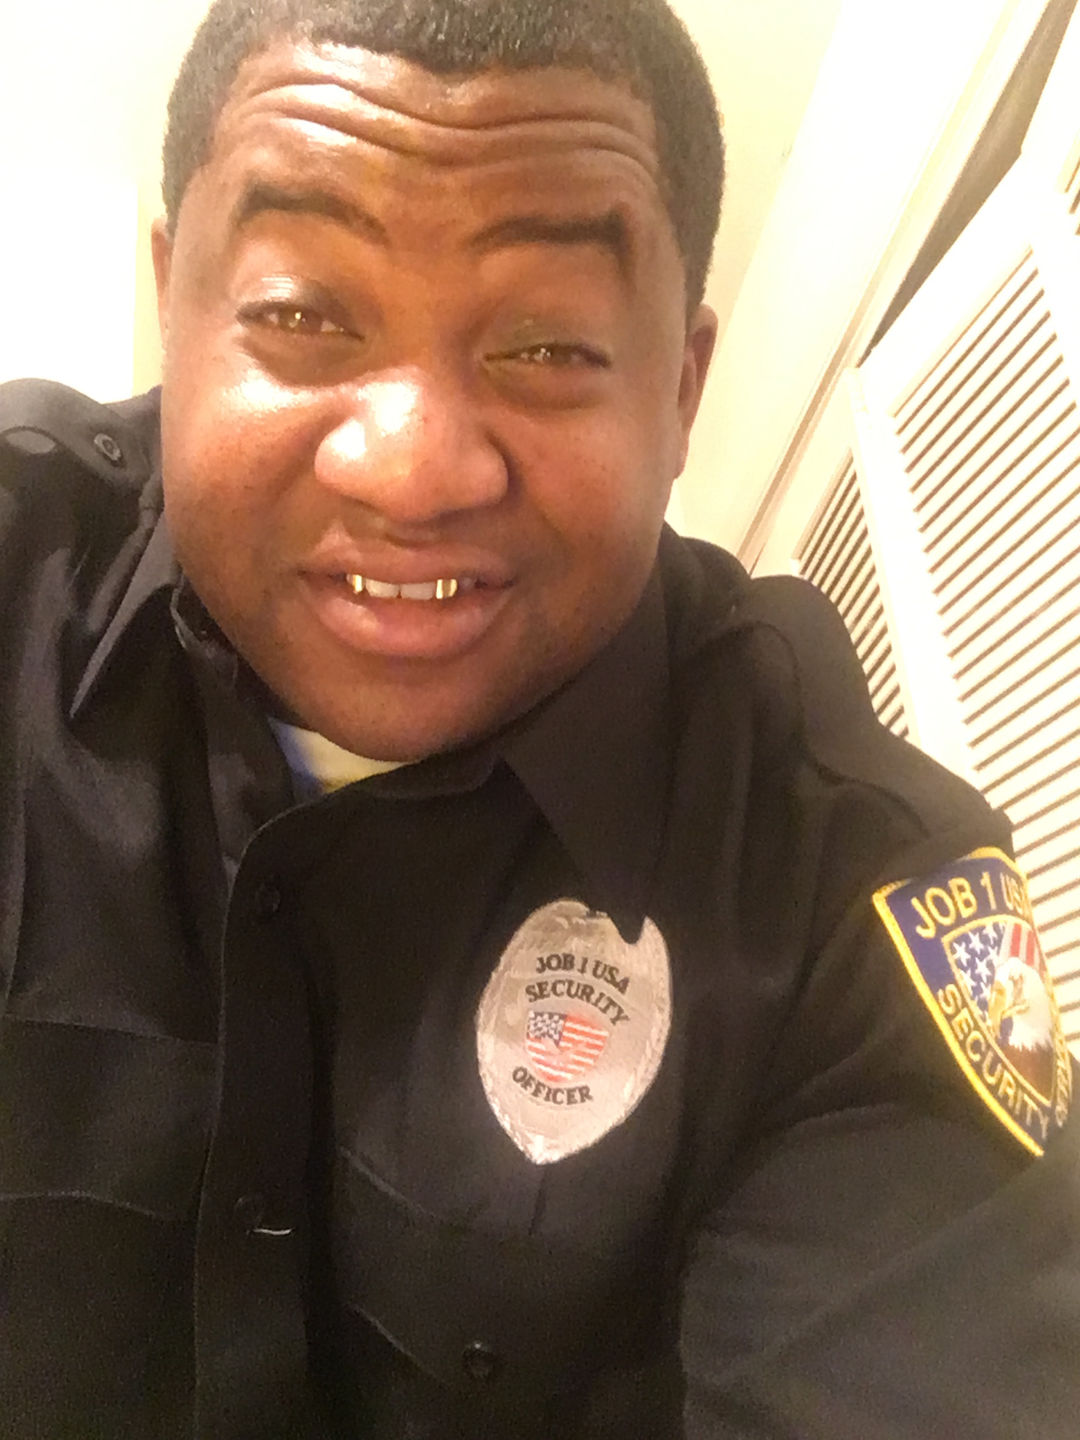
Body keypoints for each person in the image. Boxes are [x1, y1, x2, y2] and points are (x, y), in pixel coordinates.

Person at [1, 0, 1078, 1435]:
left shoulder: (838, 895)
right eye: (303, 316)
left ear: (681, 391)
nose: (412, 470)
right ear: (172, 305)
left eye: (551, 347)